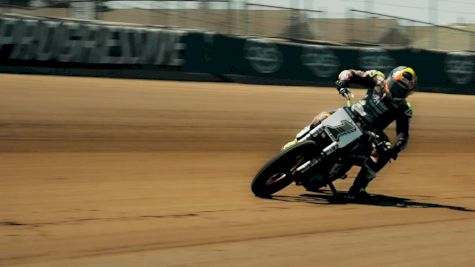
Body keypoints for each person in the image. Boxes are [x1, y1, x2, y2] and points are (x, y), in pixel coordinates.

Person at [333, 66, 417, 198]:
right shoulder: (377, 79)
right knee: (322, 117)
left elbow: (403, 134)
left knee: (382, 154)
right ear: (390, 80)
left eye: (403, 90)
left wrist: (395, 149)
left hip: (370, 133)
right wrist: (343, 81)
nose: (398, 92)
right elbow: (351, 73)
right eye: (396, 86)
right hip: (352, 115)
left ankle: (358, 188)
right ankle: (295, 143)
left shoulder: (403, 108)